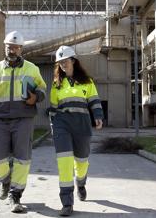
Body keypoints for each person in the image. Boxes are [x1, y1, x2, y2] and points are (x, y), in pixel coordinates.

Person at [0, 31, 46, 214]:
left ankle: (16, 196)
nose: (12, 50)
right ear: (4, 46)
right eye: (9, 46)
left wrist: (35, 97)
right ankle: (5, 180)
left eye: (16, 47)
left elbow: (43, 89)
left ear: (21, 49)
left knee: (22, 159)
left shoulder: (32, 69)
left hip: (24, 119)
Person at [48, 45, 103, 216]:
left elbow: (94, 100)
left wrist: (98, 115)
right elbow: (53, 107)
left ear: (73, 60)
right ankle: (66, 203)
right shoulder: (57, 84)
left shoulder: (87, 81)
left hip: (82, 124)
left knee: (82, 160)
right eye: (60, 62)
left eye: (65, 61)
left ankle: (81, 182)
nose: (63, 64)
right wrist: (53, 125)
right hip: (62, 124)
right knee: (64, 163)